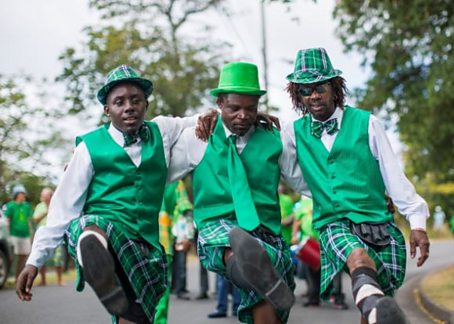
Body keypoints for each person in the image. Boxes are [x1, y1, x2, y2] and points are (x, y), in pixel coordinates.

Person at [15, 65, 215, 323]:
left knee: (136, 316)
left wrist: (235, 115)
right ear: (107, 110)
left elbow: (204, 121)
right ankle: (97, 261)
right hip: (104, 232)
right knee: (92, 226)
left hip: (144, 246)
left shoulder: (162, 130)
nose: (128, 106)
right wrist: (34, 261)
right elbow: (62, 209)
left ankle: (115, 291)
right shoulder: (88, 148)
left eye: (135, 100)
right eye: (119, 102)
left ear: (146, 104)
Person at [283, 48, 431, 324]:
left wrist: (418, 223)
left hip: (378, 223)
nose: (313, 95)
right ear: (297, 95)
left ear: (335, 87)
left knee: (375, 306)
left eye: (320, 87)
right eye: (305, 90)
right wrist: (322, 191)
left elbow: (393, 177)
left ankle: (375, 311)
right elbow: (292, 175)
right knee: (358, 258)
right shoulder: (292, 132)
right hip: (333, 222)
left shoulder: (368, 123)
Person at [168, 62, 300, 324]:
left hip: (265, 231)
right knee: (233, 244)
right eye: (234, 108)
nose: (243, 115)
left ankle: (259, 273)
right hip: (216, 225)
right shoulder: (198, 137)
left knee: (267, 305)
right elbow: (157, 171)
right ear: (219, 103)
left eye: (251, 109)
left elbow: (304, 182)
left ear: (259, 106)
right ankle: (251, 265)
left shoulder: (275, 139)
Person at [155, 179, 194, 324]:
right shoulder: (175, 181)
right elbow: (184, 207)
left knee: (132, 291)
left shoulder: (134, 170)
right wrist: (186, 235)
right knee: (161, 292)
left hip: (132, 239)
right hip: (162, 241)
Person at [33, 187, 66, 286]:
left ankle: (60, 280)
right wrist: (46, 212)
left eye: (45, 196)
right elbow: (35, 220)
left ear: (51, 196)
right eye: (42, 196)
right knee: (42, 256)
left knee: (58, 257)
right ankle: (43, 280)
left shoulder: (57, 205)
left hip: (56, 233)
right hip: (43, 235)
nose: (43, 198)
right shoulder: (40, 206)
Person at [4, 184, 34, 281]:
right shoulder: (10, 205)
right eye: (21, 193)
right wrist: (8, 236)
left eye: (24, 193)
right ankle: (6, 277)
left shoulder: (26, 206)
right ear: (16, 194)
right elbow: (7, 220)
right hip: (13, 235)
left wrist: (31, 234)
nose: (23, 195)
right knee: (11, 257)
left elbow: (29, 221)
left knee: (23, 256)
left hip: (25, 235)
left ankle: (18, 278)